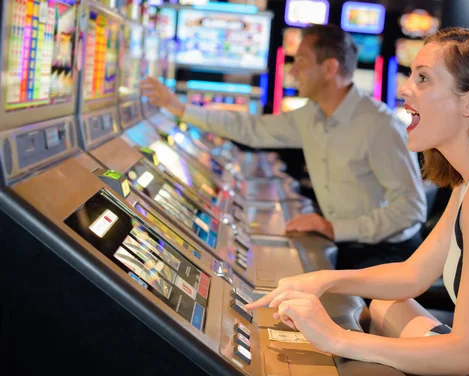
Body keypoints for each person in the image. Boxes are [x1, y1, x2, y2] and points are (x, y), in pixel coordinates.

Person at [245, 27, 469, 376]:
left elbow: (467, 357)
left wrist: (336, 338)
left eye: (423, 78)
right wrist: (322, 280)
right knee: (384, 306)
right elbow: (413, 275)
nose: (404, 89)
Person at [141, 24, 427, 270]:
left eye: (301, 60)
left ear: (330, 68)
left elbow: (411, 210)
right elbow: (251, 130)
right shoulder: (311, 116)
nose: (292, 71)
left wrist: (332, 228)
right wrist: (178, 107)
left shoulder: (379, 125)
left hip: (388, 256)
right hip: (345, 244)